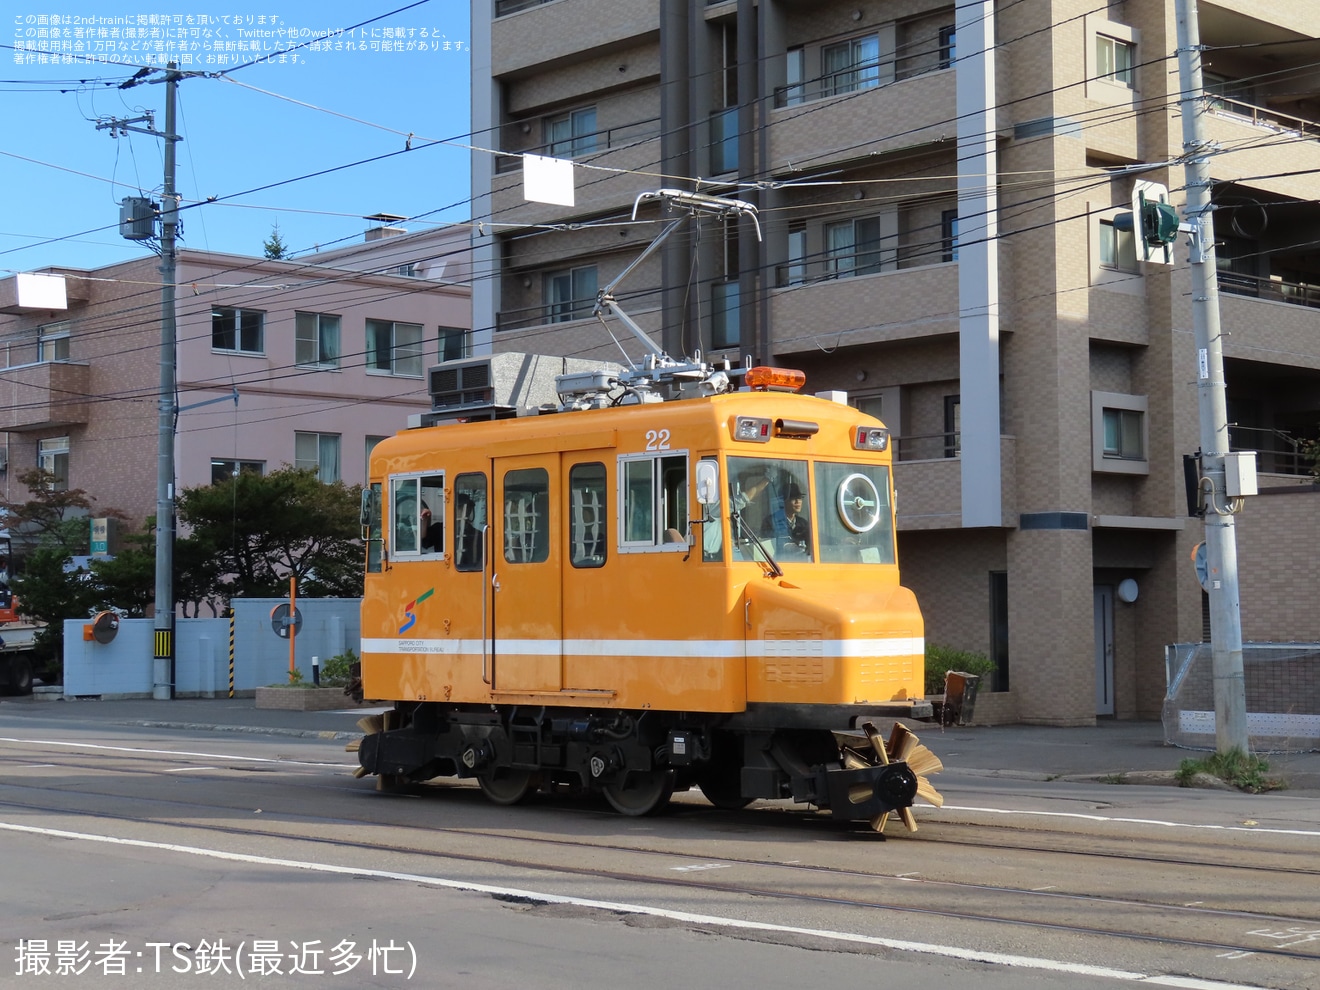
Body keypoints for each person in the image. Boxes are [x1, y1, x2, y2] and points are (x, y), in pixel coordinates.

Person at [765, 483, 810, 549]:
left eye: (799, 498)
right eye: (793, 498)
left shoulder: (804, 524)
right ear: (783, 501)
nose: (798, 501)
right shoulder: (770, 522)